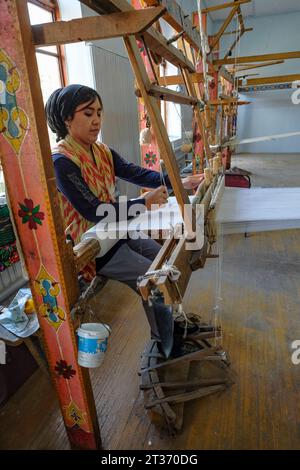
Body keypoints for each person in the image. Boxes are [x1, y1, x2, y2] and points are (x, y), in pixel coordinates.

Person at [45, 84, 203, 346]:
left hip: (118, 230)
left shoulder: (101, 151)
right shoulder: (61, 161)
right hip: (94, 246)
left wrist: (179, 182)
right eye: (87, 113)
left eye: (99, 112)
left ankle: (172, 325)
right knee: (153, 283)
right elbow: (93, 211)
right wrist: (143, 202)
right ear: (67, 118)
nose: (96, 120)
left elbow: (137, 173)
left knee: (165, 262)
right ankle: (165, 342)